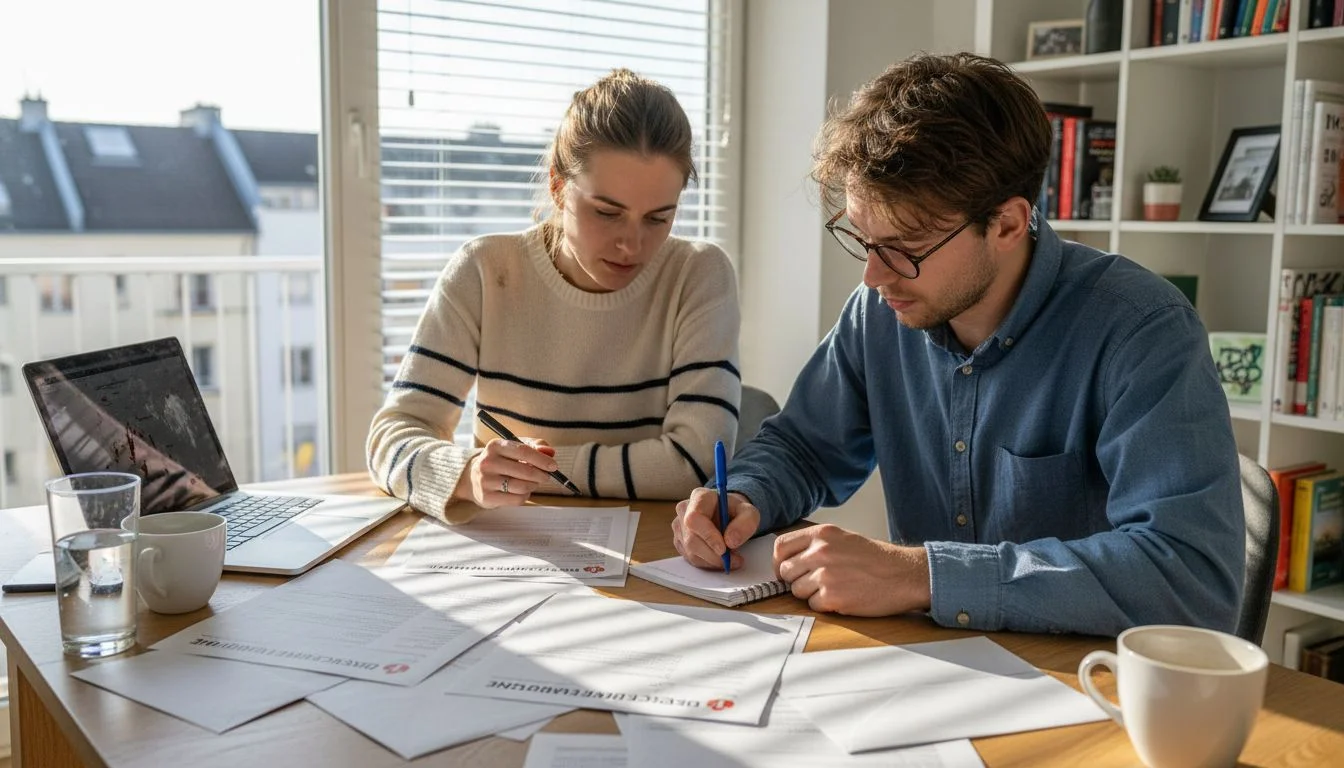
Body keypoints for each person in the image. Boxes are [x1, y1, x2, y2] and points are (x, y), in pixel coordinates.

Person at [671, 52, 1244, 637]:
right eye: (862, 238)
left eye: (904, 247)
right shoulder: (880, 310)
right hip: (931, 665)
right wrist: (744, 496)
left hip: (1082, 683)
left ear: (1007, 225)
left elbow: (1191, 579)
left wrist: (924, 576)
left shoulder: (1141, 330)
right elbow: (805, 447)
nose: (873, 275)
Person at [369, 68, 741, 524]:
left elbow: (693, 465)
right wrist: (465, 473)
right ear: (558, 186)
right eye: (607, 212)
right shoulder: (486, 271)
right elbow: (392, 435)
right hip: (513, 547)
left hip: (654, 557)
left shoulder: (699, 275)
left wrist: (538, 471)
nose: (632, 245)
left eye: (658, 218)